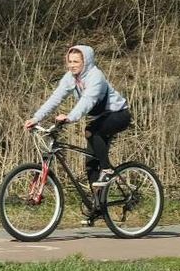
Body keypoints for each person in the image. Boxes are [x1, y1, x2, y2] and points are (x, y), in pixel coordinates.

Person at [24, 44, 131, 186]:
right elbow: (56, 98)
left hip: (119, 115)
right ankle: (97, 205)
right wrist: (36, 118)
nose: (71, 65)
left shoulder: (95, 76)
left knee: (92, 131)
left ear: (85, 62)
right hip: (101, 118)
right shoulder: (70, 77)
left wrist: (70, 117)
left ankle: (107, 171)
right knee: (91, 163)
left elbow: (87, 100)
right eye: (69, 61)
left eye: (76, 62)